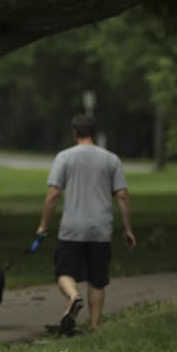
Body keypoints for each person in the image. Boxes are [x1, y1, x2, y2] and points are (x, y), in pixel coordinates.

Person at [35, 114, 135, 335]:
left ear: (74, 132)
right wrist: (127, 228)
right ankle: (94, 327)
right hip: (101, 229)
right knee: (97, 280)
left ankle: (73, 296)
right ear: (93, 132)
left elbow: (53, 194)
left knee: (63, 272)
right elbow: (123, 195)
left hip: (72, 228)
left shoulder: (64, 157)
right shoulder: (111, 159)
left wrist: (43, 224)